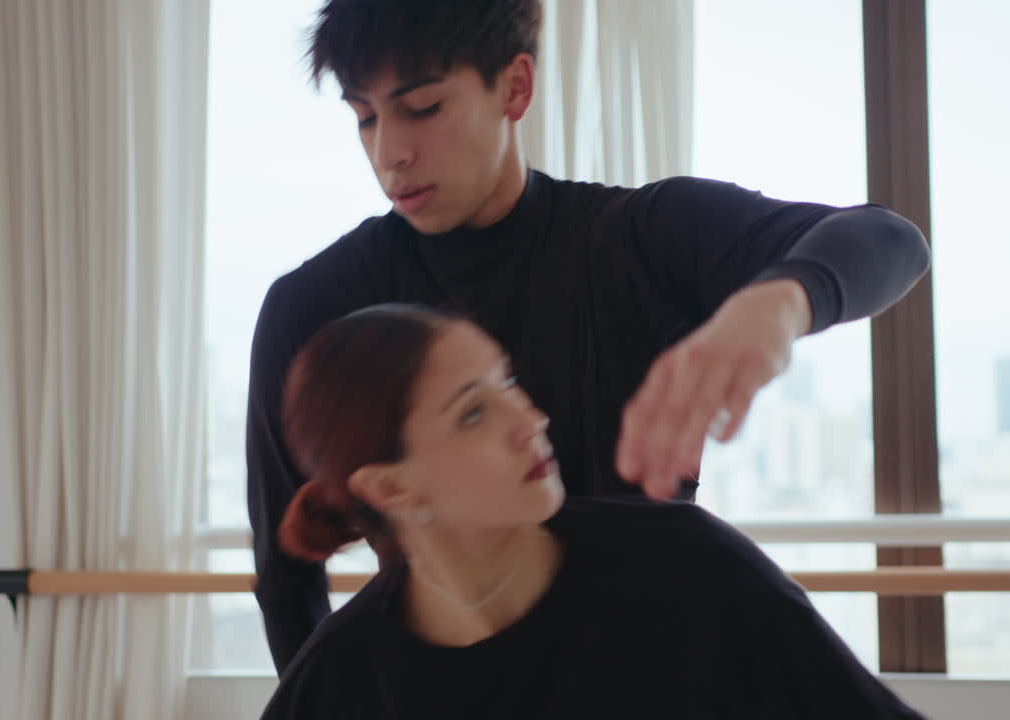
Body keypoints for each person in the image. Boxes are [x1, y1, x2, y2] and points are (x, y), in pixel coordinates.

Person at [248, 0, 931, 672]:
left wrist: (777, 307)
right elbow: (288, 587)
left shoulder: (638, 241)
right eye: (364, 117)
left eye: (422, 107)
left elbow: (889, 240)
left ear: (515, 87)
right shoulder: (313, 307)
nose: (389, 152)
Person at [259, 304, 925, 719]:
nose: (530, 420)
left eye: (508, 382)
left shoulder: (688, 569)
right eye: (472, 412)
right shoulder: (338, 685)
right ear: (390, 488)